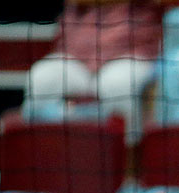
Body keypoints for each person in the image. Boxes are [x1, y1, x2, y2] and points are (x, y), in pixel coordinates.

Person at [25, 0, 163, 139]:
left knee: (119, 84)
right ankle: (44, 151)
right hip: (76, 54)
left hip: (129, 54)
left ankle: (127, 154)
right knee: (41, 78)